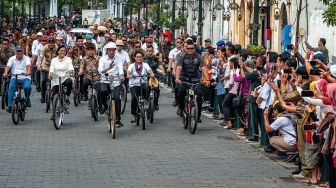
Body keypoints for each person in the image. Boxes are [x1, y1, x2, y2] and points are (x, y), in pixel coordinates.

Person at [175, 41, 210, 123]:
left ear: (194, 49)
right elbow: (179, 67)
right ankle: (181, 107)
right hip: (184, 79)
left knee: (199, 94)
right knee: (180, 91)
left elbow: (204, 68)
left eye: (192, 48)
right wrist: (177, 78)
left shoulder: (198, 57)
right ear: (186, 49)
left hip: (195, 79)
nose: (190, 50)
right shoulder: (182, 57)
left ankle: (198, 116)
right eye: (188, 48)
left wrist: (207, 79)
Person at [98, 42, 124, 127]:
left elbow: (120, 69)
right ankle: (104, 106)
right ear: (107, 50)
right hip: (105, 79)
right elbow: (100, 70)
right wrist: (108, 68)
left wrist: (121, 75)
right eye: (110, 50)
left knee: (117, 98)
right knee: (102, 91)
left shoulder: (119, 59)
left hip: (115, 81)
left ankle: (118, 119)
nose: (112, 52)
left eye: (113, 50)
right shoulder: (102, 59)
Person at [127, 51, 155, 123]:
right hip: (134, 84)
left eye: (140, 57)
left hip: (143, 83)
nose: (139, 58)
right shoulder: (131, 66)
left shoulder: (145, 65)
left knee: (147, 89)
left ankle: (146, 103)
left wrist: (151, 74)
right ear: (135, 58)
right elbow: (128, 73)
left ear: (142, 58)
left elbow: (149, 71)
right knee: (134, 98)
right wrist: (129, 75)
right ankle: (133, 115)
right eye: (137, 57)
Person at [3, 45, 32, 113]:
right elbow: (8, 66)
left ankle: (27, 99)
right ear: (15, 52)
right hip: (15, 77)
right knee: (11, 88)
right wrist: (5, 72)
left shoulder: (26, 58)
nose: (19, 53)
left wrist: (28, 71)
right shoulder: (12, 58)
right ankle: (10, 106)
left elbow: (28, 66)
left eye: (20, 51)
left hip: (25, 77)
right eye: (17, 51)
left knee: (27, 87)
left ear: (23, 51)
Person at [37, 36, 57, 103]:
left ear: (54, 43)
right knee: (43, 81)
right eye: (49, 42)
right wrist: (39, 65)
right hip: (46, 66)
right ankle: (43, 96)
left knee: (54, 82)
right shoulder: (45, 47)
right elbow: (41, 57)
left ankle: (54, 95)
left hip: (54, 67)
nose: (51, 44)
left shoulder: (57, 48)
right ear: (47, 43)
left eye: (52, 42)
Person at [144, 45, 164, 110]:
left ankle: (156, 103)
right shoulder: (143, 58)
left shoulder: (156, 58)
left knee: (157, 89)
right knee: (146, 88)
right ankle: (146, 101)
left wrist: (163, 72)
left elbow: (160, 65)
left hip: (154, 76)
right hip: (145, 76)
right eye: (147, 51)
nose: (148, 52)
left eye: (150, 51)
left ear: (153, 52)